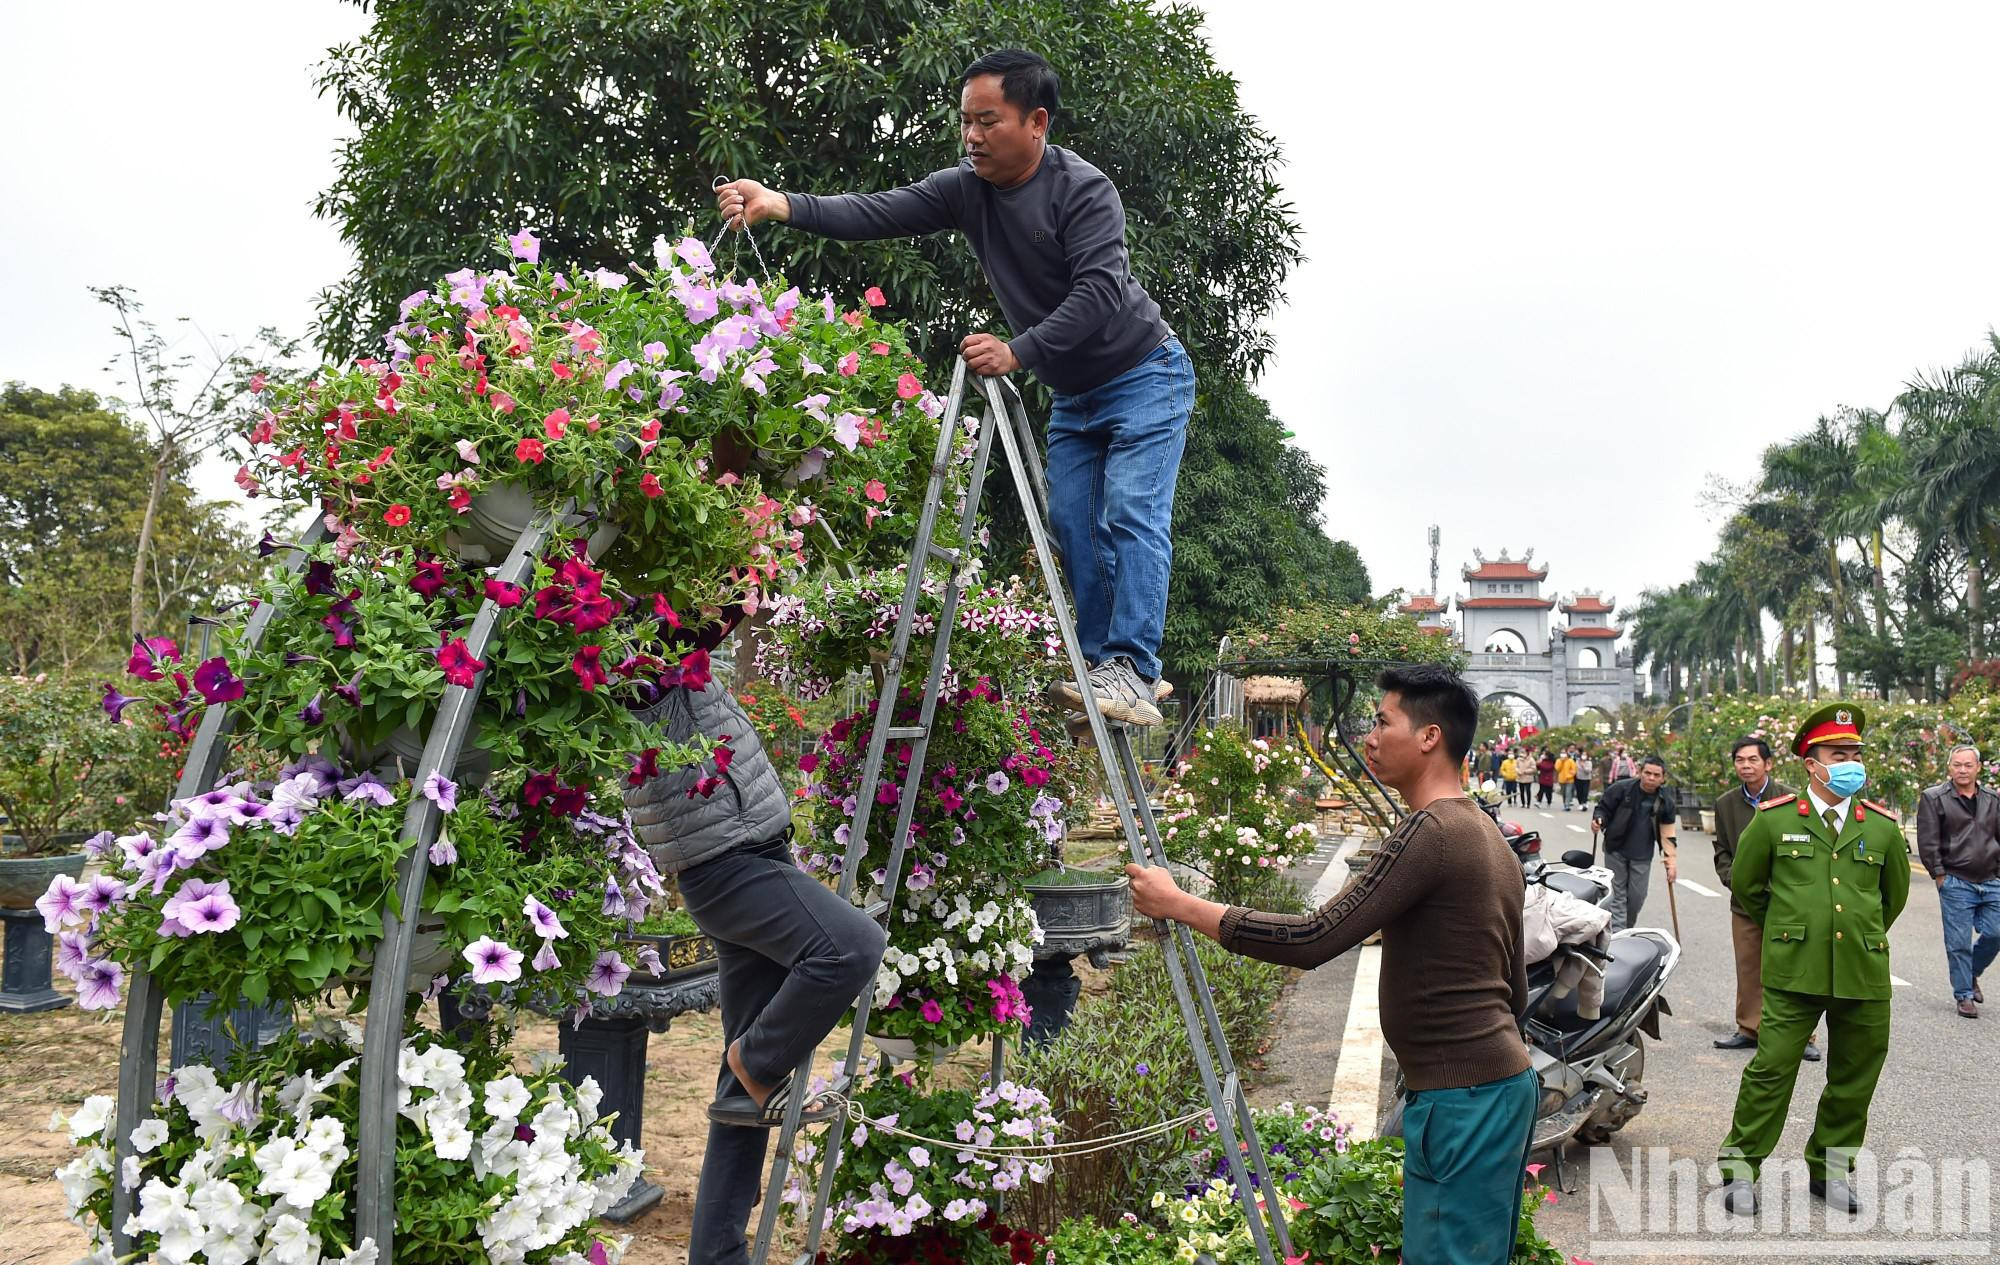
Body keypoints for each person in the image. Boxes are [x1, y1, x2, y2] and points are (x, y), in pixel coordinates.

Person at [715, 49, 1187, 728]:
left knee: (1131, 511)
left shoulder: (1083, 190)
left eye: (987, 121)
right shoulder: (966, 189)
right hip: (1076, 393)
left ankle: (1134, 668)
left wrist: (1018, 350)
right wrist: (781, 204)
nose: (971, 136)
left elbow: (1100, 291)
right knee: (1073, 527)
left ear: (1036, 122)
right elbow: (878, 211)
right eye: (965, 121)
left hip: (1145, 374)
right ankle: (1102, 670)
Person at [1126, 664, 1533, 1264]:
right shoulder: (1485, 833)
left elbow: (1314, 937)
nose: (1369, 736)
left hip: (1464, 1098)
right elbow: (1514, 989)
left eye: (1382, 720)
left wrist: (1181, 904)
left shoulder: (1433, 832)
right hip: (1485, 1087)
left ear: (1429, 738)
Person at [626, 660, 888, 1265]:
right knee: (852, 946)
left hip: (742, 851)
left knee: (739, 1097)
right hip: (729, 861)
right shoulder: (640, 657)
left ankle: (716, 1255)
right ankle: (759, 1059)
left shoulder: (666, 654)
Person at [1717, 704, 1911, 1217]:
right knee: (1771, 1070)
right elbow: (1748, 885)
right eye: (1837, 753)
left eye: (1855, 754)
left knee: (1854, 1078)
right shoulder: (1776, 820)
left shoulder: (1884, 829)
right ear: (1812, 762)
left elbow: (1892, 900)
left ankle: (1830, 1170)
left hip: (1862, 973)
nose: (1850, 762)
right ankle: (1740, 1171)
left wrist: (1852, 937)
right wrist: (1791, 931)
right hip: (1793, 972)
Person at [1710, 736, 1820, 1061]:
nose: (1746, 766)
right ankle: (1748, 1028)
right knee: (1748, 967)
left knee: (1795, 968)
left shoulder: (1792, 799)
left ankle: (1804, 1036)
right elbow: (1722, 851)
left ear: (1768, 763)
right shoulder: (1725, 804)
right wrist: (1736, 881)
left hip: (1789, 903)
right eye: (1740, 760)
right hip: (1745, 903)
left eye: (1753, 760)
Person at [1916, 743, 2000, 1018]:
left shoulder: (1992, 798)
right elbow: (1928, 841)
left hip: (1991, 879)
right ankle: (1964, 995)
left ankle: (1971, 972)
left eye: (1968, 765)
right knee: (1959, 942)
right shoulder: (1934, 797)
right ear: (1949, 767)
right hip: (1956, 880)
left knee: (1996, 933)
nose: (1962, 770)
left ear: (1978, 768)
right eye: (1957, 765)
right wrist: (1940, 875)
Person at [1590, 755, 1680, 931]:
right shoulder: (1621, 789)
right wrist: (1598, 820)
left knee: (1637, 898)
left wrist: (1671, 861)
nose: (1651, 778)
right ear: (1640, 772)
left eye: (1656, 775)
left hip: (1642, 854)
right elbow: (1603, 808)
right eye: (1647, 773)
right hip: (1615, 849)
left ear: (1663, 778)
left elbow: (1668, 831)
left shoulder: (1665, 801)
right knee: (1618, 896)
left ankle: (1625, 929)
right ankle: (1618, 935)